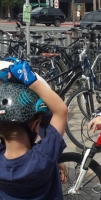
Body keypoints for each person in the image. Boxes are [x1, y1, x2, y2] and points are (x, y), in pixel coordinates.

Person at [0, 60, 68, 199]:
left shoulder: (45, 157)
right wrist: (32, 81)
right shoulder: (44, 158)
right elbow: (61, 110)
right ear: (34, 124)